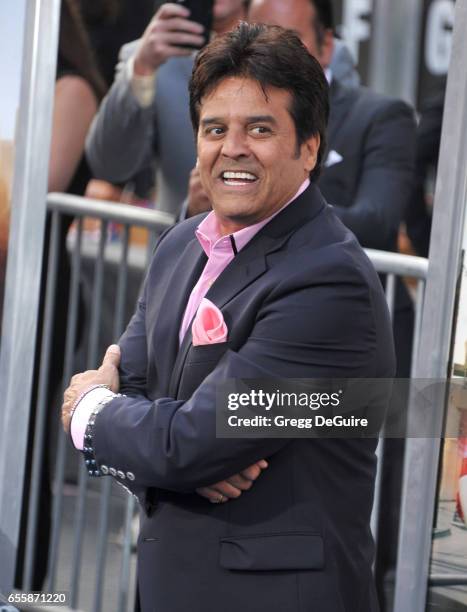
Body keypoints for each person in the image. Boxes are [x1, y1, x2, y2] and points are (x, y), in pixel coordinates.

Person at [63, 23, 395, 611]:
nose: (232, 148)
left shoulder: (327, 279)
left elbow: (190, 440)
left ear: (309, 147)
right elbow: (153, 407)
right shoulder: (180, 244)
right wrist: (173, 458)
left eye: (260, 129)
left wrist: (89, 412)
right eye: (215, 129)